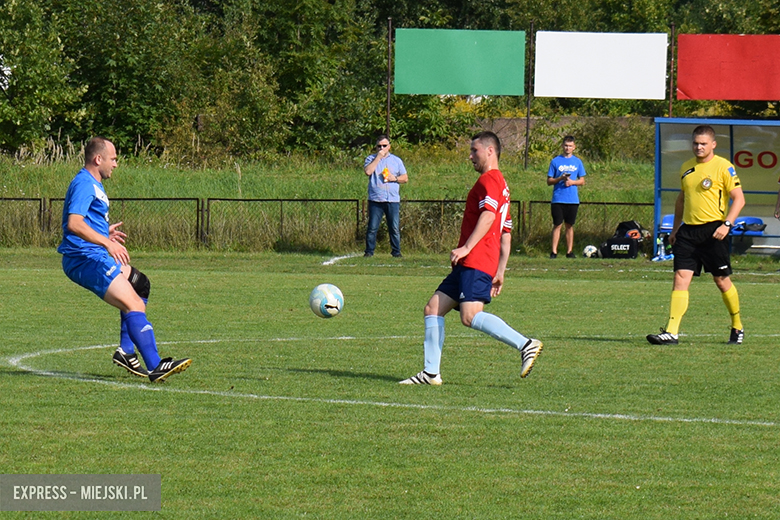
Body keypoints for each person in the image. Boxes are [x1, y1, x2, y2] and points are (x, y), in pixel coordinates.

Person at [400, 131, 542, 385]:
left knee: (470, 315)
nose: (470, 156)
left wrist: (466, 247)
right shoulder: (503, 186)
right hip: (474, 262)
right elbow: (506, 232)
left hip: (476, 259)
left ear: (490, 151)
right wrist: (501, 271)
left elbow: (488, 217)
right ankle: (431, 373)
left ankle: (526, 344)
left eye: (474, 151)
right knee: (433, 309)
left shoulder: (490, 180)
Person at [57, 137, 192, 382]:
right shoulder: (85, 184)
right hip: (85, 259)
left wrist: (103, 231)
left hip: (92, 254)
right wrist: (107, 242)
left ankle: (126, 351)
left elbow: (83, 221)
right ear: (98, 159)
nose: (116, 164)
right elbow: (74, 223)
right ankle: (156, 366)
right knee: (134, 304)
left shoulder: (92, 183)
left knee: (141, 285)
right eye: (114, 159)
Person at [647, 125, 746, 346]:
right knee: (680, 278)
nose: (699, 147)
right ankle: (671, 332)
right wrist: (675, 229)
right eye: (695, 143)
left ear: (713, 144)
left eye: (703, 143)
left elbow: (739, 199)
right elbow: (681, 199)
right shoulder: (686, 167)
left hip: (714, 232)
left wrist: (727, 224)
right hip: (688, 232)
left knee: (721, 281)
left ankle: (737, 325)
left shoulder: (724, 167)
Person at [363, 135, 407, 257]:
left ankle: (396, 252)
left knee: (394, 228)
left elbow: (405, 178)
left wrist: (395, 178)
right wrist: (378, 158)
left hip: (392, 199)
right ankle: (369, 252)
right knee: (372, 228)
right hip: (376, 199)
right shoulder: (370, 159)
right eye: (379, 146)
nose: (382, 148)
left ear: (389, 146)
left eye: (384, 145)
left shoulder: (396, 161)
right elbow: (368, 171)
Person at [546, 136, 586, 258]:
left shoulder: (578, 162)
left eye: (570, 146)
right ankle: (554, 251)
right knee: (557, 224)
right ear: (562, 146)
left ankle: (569, 251)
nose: (568, 148)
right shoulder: (555, 161)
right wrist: (560, 179)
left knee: (569, 225)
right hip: (558, 198)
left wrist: (572, 182)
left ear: (574, 147)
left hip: (572, 199)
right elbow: (549, 181)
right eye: (566, 145)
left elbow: (582, 181)